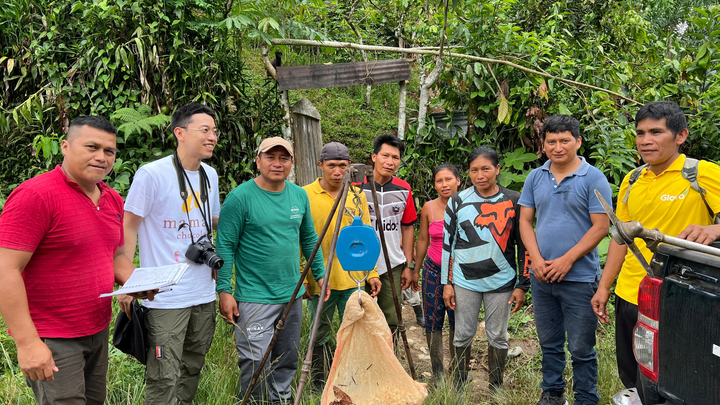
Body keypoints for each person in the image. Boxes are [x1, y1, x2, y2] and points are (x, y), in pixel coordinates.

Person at [0, 116, 153, 404]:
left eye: (109, 151)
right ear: (65, 147)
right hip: (53, 336)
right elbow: (6, 268)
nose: (101, 157)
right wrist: (28, 343)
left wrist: (139, 283)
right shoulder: (36, 196)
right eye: (91, 147)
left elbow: (117, 255)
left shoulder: (112, 199)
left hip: (96, 330)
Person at [590, 101, 720, 395]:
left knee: (675, 381)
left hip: (678, 297)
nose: (645, 141)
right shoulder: (632, 179)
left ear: (681, 136)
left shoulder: (701, 174)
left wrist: (712, 229)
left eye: (656, 132)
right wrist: (604, 287)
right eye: (640, 133)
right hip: (631, 294)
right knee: (634, 375)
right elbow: (621, 239)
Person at [118, 104, 222, 404]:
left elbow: (211, 221)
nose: (212, 136)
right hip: (165, 297)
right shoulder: (151, 174)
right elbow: (129, 226)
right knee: (164, 376)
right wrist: (129, 282)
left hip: (203, 292)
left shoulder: (210, 175)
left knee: (192, 367)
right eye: (205, 130)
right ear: (180, 132)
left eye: (214, 131)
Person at [216, 137, 328, 404]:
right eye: (270, 157)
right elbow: (225, 246)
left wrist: (320, 273)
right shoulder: (240, 197)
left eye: (284, 158)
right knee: (255, 360)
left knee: (287, 356)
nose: (277, 164)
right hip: (254, 297)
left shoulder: (299, 195)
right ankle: (254, 401)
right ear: (258, 161)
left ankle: (281, 400)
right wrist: (223, 290)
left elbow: (310, 238)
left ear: (292, 163)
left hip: (292, 294)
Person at [518, 114, 612, 405]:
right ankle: (553, 393)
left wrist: (567, 260)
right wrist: (536, 258)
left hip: (579, 278)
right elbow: (525, 221)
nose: (558, 147)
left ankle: (586, 398)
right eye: (551, 141)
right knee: (549, 343)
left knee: (582, 346)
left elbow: (602, 226)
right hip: (542, 277)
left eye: (564, 140)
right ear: (543, 145)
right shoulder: (535, 177)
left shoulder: (593, 177)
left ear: (578, 141)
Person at [442, 148, 529, 391]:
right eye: (474, 170)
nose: (480, 175)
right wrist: (447, 283)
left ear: (498, 169)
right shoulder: (457, 201)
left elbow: (524, 245)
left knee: (498, 336)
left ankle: (496, 386)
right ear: (468, 172)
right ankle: (459, 386)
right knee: (462, 334)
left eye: (486, 169)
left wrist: (523, 284)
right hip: (464, 280)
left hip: (501, 281)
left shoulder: (514, 200)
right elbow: (448, 244)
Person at [302, 142, 382, 390]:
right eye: (331, 166)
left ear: (349, 168)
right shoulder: (304, 195)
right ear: (320, 166)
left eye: (342, 166)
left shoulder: (356, 196)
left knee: (354, 331)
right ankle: (318, 383)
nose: (337, 171)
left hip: (352, 278)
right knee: (320, 332)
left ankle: (350, 382)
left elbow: (366, 239)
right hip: (320, 279)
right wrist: (305, 277)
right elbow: (298, 239)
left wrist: (372, 273)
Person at [362, 134, 418, 341]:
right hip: (361, 261)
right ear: (374, 156)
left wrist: (408, 265)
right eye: (385, 155)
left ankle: (389, 361)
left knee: (392, 317)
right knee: (359, 314)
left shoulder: (404, 189)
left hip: (392, 262)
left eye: (395, 157)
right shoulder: (356, 186)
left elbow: (408, 228)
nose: (390, 161)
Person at [414, 163, 461, 384]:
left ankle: (458, 369)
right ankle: (438, 373)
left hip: (461, 272)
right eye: (439, 181)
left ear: (458, 181)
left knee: (457, 320)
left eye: (448, 179)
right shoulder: (428, 208)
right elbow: (423, 239)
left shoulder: (467, 205)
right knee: (433, 321)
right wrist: (416, 269)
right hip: (433, 268)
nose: (444, 185)